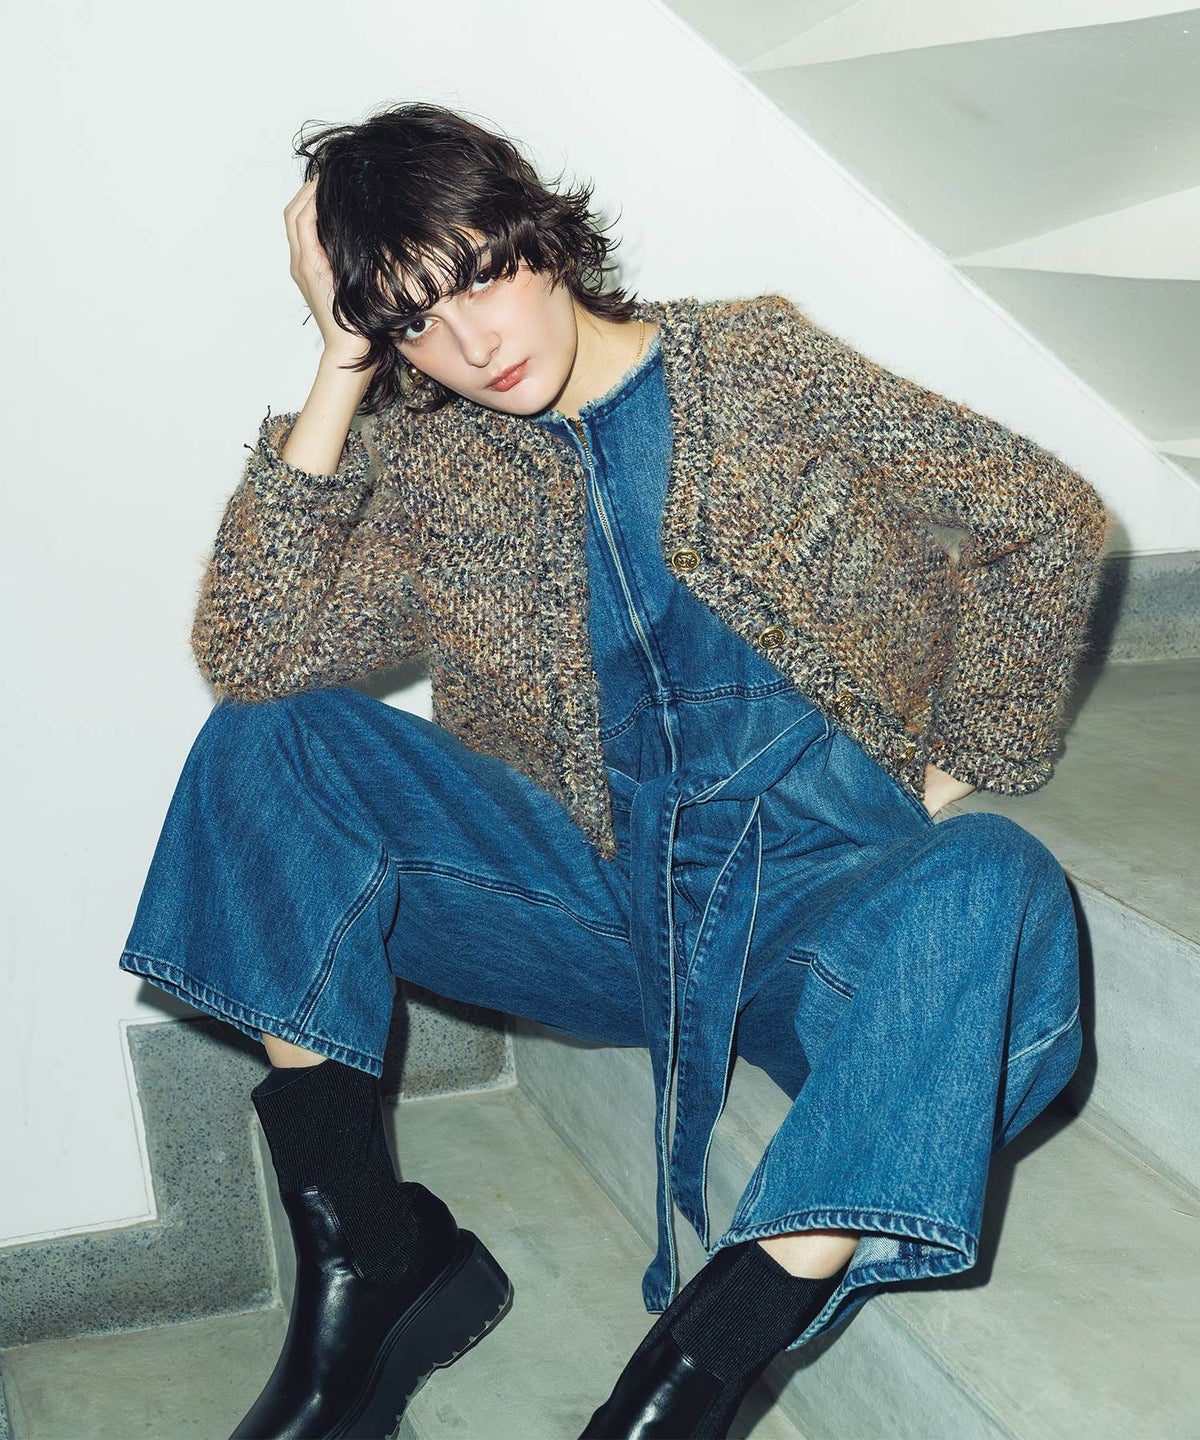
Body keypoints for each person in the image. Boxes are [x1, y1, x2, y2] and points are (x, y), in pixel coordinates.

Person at [118, 101, 1112, 1440]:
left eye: (478, 280)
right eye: (415, 325)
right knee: (270, 739)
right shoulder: (441, 461)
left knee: (995, 876)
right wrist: (339, 365)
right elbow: (253, 649)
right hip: (602, 907)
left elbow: (1044, 516)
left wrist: (965, 754)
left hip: (814, 913)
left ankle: (693, 1372)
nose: (472, 348)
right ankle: (369, 1257)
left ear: (538, 236)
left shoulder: (754, 366)